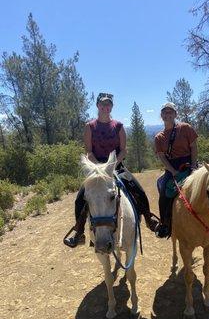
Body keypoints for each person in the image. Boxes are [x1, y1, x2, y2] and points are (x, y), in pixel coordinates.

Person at [64, 92, 158, 248]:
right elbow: (89, 152)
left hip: (116, 166)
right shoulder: (90, 127)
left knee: (139, 191)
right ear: (97, 106)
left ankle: (149, 220)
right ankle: (79, 232)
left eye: (108, 104)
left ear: (112, 106)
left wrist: (112, 165)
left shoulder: (119, 127)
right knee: (80, 198)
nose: (105, 106)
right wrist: (100, 168)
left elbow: (123, 150)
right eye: (103, 104)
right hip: (97, 169)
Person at [154, 102, 198, 238]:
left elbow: (194, 147)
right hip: (172, 168)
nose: (168, 114)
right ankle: (165, 223)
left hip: (189, 163)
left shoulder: (185, 128)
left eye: (170, 112)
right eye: (165, 112)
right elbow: (162, 157)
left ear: (175, 114)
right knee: (164, 190)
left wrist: (194, 166)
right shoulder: (159, 137)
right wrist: (173, 172)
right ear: (162, 116)